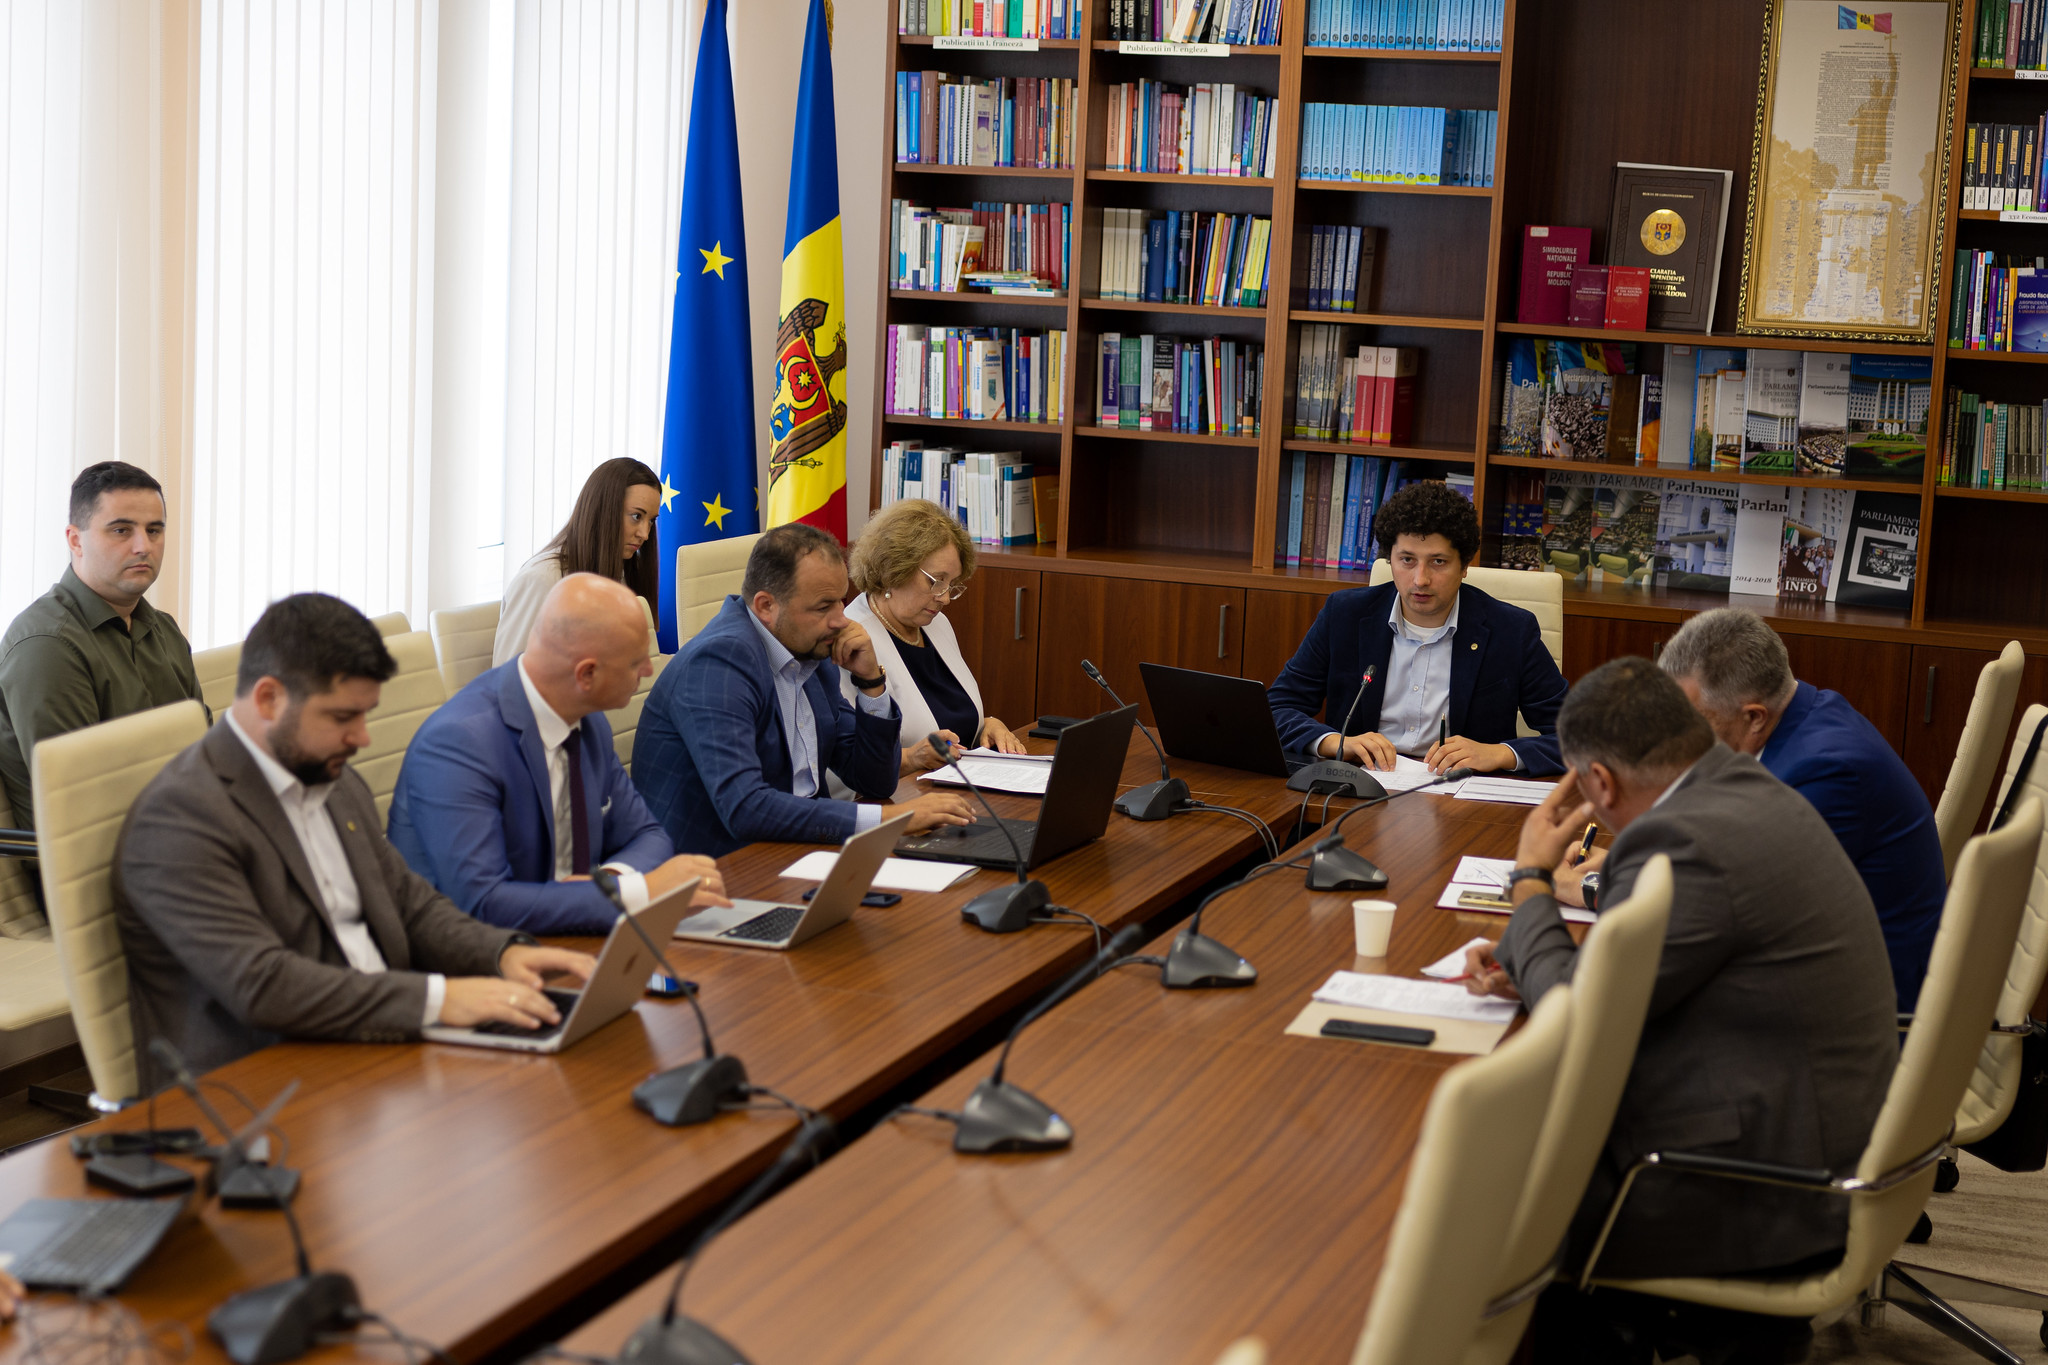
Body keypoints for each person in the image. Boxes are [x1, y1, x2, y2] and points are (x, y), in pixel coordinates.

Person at [1462, 658, 1896, 1363]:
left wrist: (1531, 878)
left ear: (1599, 783)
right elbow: (1626, 982)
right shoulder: (1742, 788)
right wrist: (1536, 963)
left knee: (1489, 1205)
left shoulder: (1679, 843)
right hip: (1814, 1136)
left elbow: (1577, 1025)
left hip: (1764, 1191)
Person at [114, 593, 597, 1085]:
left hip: (375, 1043)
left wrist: (502, 954)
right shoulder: (180, 819)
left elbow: (409, 905)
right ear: (268, 699)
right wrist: (439, 1000)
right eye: (343, 717)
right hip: (262, 1084)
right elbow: (263, 985)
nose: (363, 738)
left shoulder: (333, 780)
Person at [390, 574, 728, 935]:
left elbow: (649, 835)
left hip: (575, 934)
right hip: (479, 954)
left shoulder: (589, 720)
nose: (649, 671)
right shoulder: (458, 744)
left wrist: (606, 885)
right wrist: (638, 892)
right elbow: (484, 903)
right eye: (636, 663)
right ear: (586, 674)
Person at [1660, 607, 1945, 1011]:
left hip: (1858, 1015)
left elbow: (1722, 916)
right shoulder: (1804, 714)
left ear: (1753, 718)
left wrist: (1596, 888)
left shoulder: (1826, 775)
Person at [632, 523, 975, 857]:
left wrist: (871, 682)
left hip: (800, 848)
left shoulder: (811, 651)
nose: (841, 620)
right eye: (824, 607)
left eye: (841, 601)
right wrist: (891, 819)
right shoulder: (718, 663)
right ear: (766, 606)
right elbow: (745, 808)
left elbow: (874, 781)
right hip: (722, 865)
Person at [1266, 481, 1567, 776]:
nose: (1420, 579)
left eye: (1438, 562)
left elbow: (1579, 735)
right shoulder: (1344, 615)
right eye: (1407, 560)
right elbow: (1275, 709)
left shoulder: (1511, 630)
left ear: (1464, 566)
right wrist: (1335, 742)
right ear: (1390, 560)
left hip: (1461, 792)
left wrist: (1500, 753)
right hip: (1359, 784)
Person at [0, 462, 204, 833]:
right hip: (103, 858)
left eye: (154, 530)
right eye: (121, 530)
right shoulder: (47, 646)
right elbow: (83, 809)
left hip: (179, 837)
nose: (143, 546)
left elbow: (203, 756)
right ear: (75, 540)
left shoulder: (163, 630)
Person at [843, 498, 1027, 776]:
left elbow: (954, 721)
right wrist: (911, 758)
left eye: (952, 584)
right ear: (893, 569)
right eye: (936, 581)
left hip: (957, 785)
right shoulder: (853, 640)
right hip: (897, 795)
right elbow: (846, 759)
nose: (945, 598)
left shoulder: (936, 624)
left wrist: (986, 725)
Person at [493, 457, 663, 667]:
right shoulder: (543, 579)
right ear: (603, 511)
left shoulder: (624, 568)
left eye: (651, 520)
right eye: (636, 516)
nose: (645, 534)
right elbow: (509, 677)